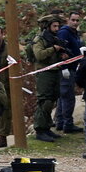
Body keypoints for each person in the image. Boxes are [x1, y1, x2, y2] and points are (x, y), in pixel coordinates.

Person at [32, 14, 68, 143]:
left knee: (52, 100)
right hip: (44, 73)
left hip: (54, 72)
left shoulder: (54, 38)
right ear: (48, 26)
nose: (57, 28)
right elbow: (39, 55)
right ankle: (40, 129)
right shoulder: (40, 39)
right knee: (44, 101)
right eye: (54, 26)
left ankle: (46, 127)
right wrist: (53, 49)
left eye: (58, 26)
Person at [55, 11, 84, 134]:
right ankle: (67, 123)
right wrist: (64, 67)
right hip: (66, 69)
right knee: (68, 97)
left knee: (64, 97)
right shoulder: (64, 33)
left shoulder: (73, 33)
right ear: (68, 20)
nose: (75, 23)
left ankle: (60, 122)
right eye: (73, 20)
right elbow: (61, 51)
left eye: (77, 20)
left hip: (71, 67)